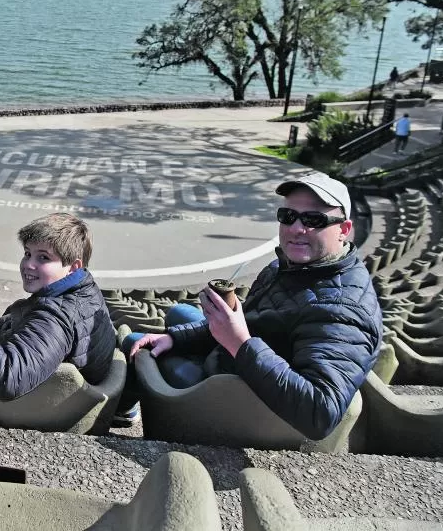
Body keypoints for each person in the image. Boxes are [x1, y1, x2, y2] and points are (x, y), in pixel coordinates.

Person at [128, 172, 382, 440]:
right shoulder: (288, 267)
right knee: (177, 316)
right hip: (249, 363)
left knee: (135, 345)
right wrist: (175, 338)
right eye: (288, 216)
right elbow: (255, 320)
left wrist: (239, 343)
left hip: (249, 398)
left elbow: (320, 411)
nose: (297, 228)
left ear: (343, 229)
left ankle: (122, 415)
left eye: (313, 220)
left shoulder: (342, 310)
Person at [0, 213, 116, 402]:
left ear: (73, 267)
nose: (28, 264)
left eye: (43, 258)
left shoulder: (54, 318)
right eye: (28, 253)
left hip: (35, 406)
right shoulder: (87, 288)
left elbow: (8, 379)